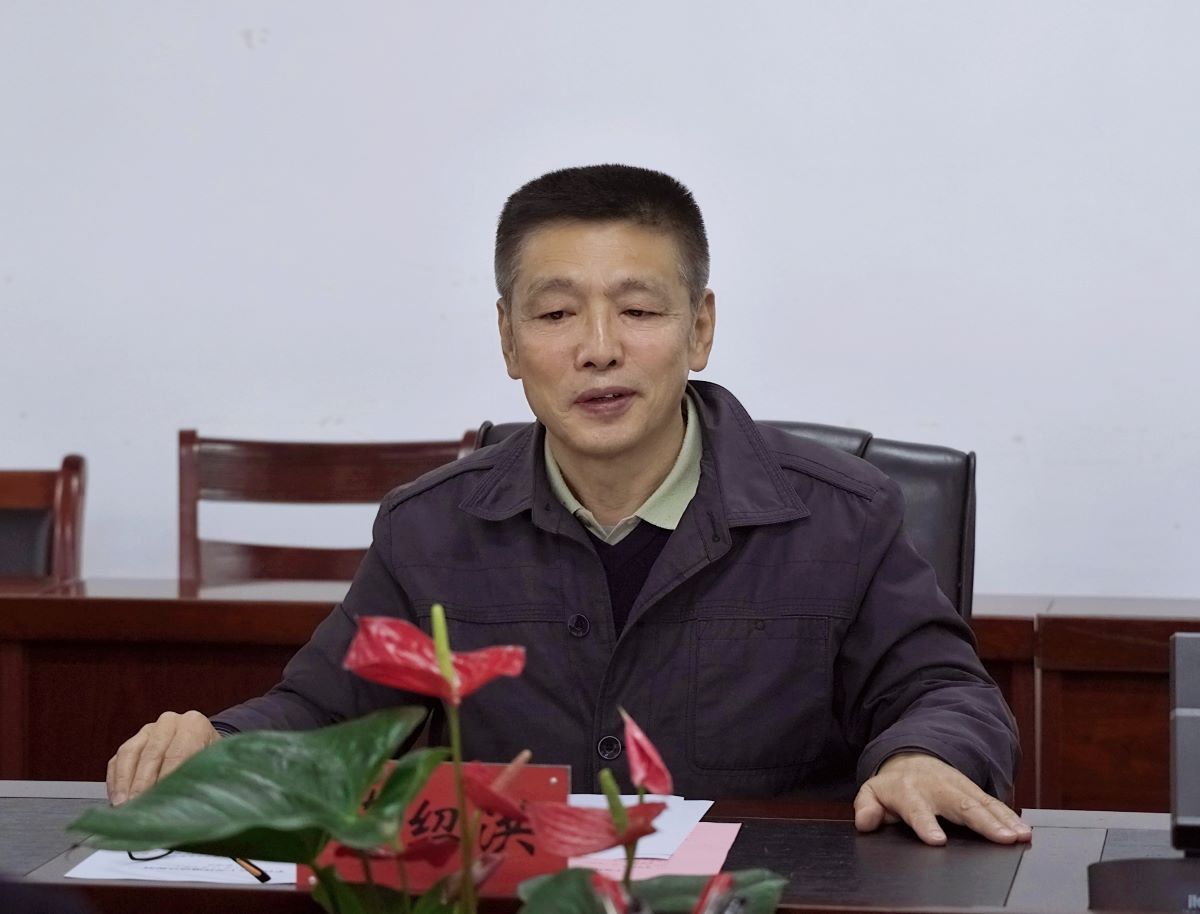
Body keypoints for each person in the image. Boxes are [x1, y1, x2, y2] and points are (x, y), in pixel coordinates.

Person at [108, 164, 1030, 847]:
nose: (597, 348)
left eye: (639, 310)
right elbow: (321, 711)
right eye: (554, 315)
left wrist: (924, 757)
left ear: (701, 328)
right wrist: (217, 743)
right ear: (508, 340)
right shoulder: (431, 530)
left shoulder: (840, 516)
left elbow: (943, 691)